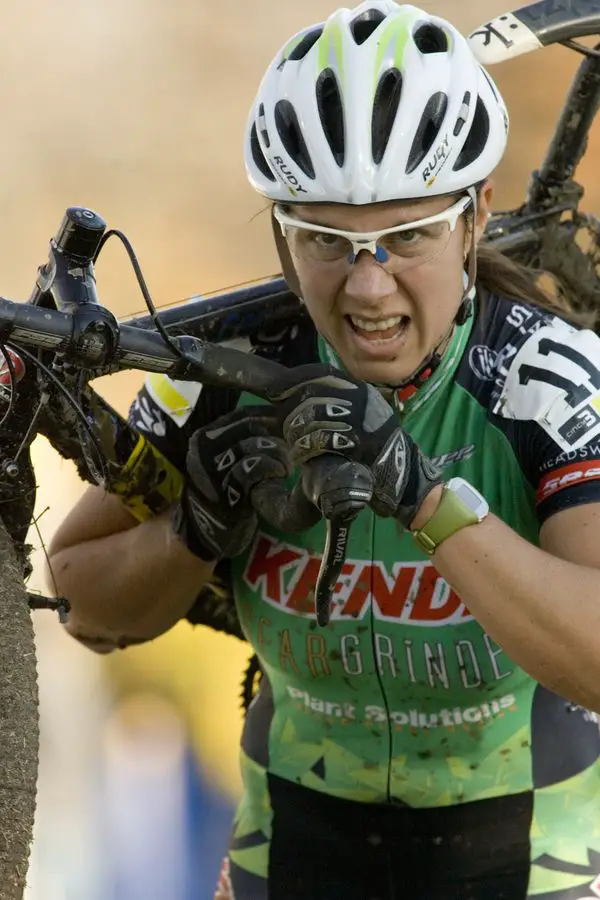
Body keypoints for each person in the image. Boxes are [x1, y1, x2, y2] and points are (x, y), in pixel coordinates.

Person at [48, 2, 600, 897]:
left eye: (407, 237)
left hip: (529, 847)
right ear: (280, 236)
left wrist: (424, 497)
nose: (368, 285)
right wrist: (195, 526)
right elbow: (81, 597)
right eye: (327, 243)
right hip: (294, 843)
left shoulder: (545, 378)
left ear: (474, 216)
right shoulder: (220, 373)